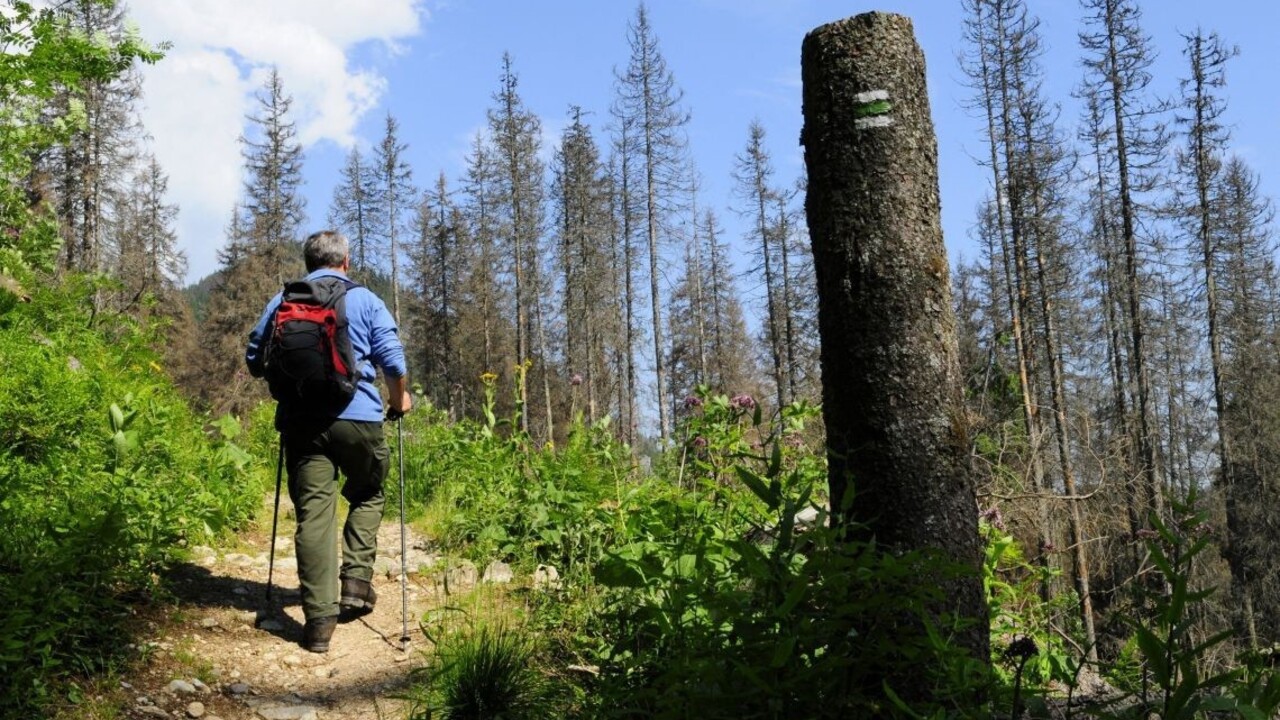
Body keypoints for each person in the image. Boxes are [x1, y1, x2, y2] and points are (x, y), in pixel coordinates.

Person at [245, 230, 412, 653]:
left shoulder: (283, 301)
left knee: (314, 517)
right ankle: (355, 583)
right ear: (346, 261)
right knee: (369, 491)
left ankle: (319, 623)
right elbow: (393, 360)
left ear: (308, 261)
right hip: (358, 420)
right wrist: (400, 399)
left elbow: (254, 360)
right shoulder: (366, 300)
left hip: (301, 423)